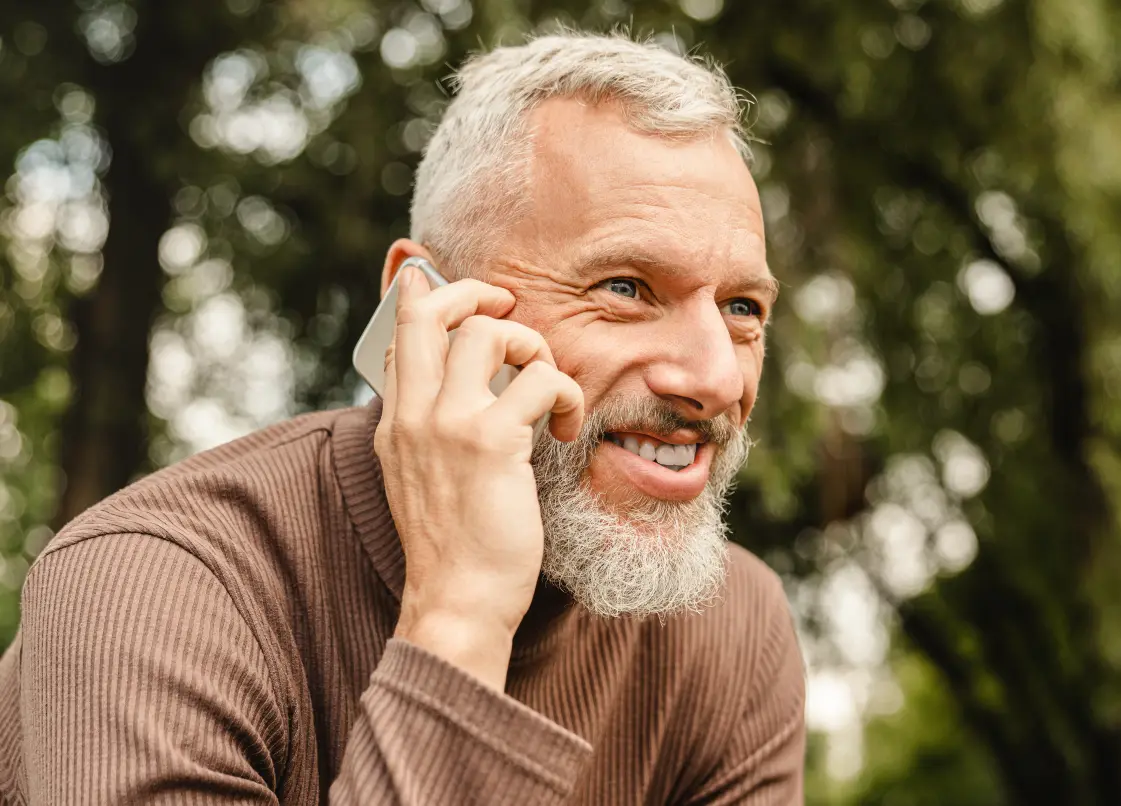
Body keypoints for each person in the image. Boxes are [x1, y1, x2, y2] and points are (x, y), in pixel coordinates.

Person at [0, 30, 805, 804]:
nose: (714, 374)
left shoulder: (733, 631)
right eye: (625, 289)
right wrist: (459, 616)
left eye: (743, 307)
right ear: (421, 302)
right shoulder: (148, 590)